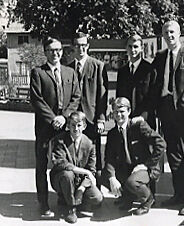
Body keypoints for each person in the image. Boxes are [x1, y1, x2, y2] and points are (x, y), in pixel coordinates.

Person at [151, 20, 184, 215]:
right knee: (173, 156)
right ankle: (180, 195)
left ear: (180, 33)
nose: (169, 36)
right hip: (166, 112)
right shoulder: (160, 56)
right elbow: (157, 84)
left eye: (172, 32)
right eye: (166, 33)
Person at [30, 37, 81, 217]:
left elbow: (76, 97)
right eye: (51, 50)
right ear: (45, 52)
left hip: (65, 126)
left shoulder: (70, 72)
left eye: (58, 50)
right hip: (45, 127)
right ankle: (43, 203)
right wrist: (53, 118)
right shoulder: (38, 73)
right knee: (42, 164)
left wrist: (64, 117)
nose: (56, 53)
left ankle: (66, 199)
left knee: (65, 163)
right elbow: (37, 100)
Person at [102, 97, 166, 215]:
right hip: (127, 167)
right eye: (116, 112)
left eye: (122, 111)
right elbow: (109, 158)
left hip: (145, 167)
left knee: (132, 182)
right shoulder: (112, 133)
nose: (119, 115)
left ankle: (148, 200)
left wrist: (146, 165)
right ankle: (128, 197)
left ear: (129, 111)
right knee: (103, 176)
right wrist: (112, 178)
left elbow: (161, 144)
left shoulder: (138, 126)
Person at [70, 32, 109, 189]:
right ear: (73, 47)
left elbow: (102, 95)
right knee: (75, 154)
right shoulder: (67, 67)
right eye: (78, 45)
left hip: (92, 120)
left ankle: (95, 192)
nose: (81, 48)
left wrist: (101, 119)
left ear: (88, 46)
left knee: (94, 156)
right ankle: (73, 190)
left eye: (84, 45)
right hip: (73, 121)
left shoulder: (98, 66)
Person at [50, 111, 103, 223]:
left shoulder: (89, 144)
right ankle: (71, 208)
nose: (76, 128)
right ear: (68, 126)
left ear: (84, 126)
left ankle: (72, 199)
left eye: (79, 125)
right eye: (72, 125)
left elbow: (91, 170)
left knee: (97, 198)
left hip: (80, 181)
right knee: (67, 175)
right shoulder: (60, 140)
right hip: (62, 178)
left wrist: (81, 188)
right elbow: (61, 163)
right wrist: (85, 172)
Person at [116, 33, 157, 129]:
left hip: (145, 121)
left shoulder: (150, 70)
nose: (133, 50)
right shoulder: (122, 71)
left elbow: (153, 96)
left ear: (142, 48)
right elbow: (119, 97)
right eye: (130, 47)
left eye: (136, 47)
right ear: (126, 48)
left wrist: (144, 116)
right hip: (126, 121)